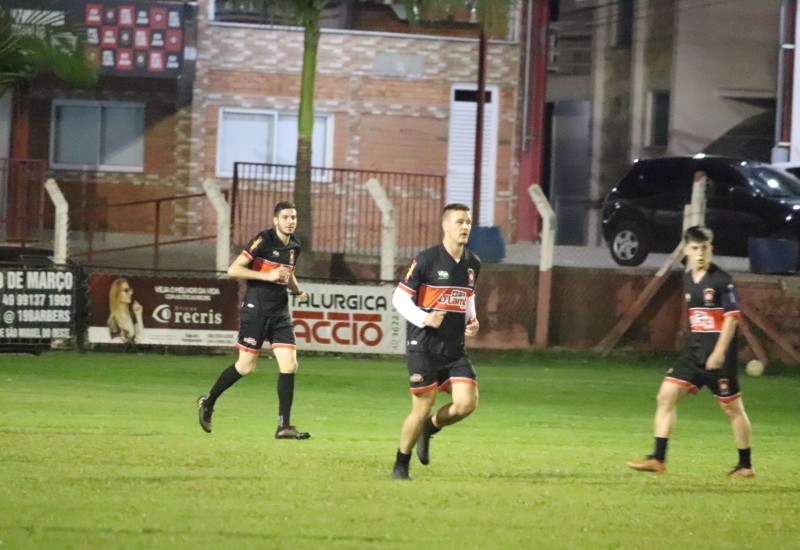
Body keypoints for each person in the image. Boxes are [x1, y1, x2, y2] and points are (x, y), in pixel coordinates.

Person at [627, 225, 754, 477]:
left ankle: (745, 465)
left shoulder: (721, 281)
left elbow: (731, 318)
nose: (700, 253)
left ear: (711, 249)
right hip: (694, 355)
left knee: (732, 410)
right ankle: (658, 458)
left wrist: (718, 352)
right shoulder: (687, 278)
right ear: (686, 250)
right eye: (695, 248)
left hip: (719, 359)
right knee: (665, 396)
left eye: (705, 248)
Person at [197, 202, 311, 439]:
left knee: (289, 364)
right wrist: (266, 275)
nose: (291, 221)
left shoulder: (294, 245)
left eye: (294, 217)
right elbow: (234, 269)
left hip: (280, 312)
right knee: (246, 366)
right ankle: (208, 401)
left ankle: (284, 426)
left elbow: (287, 272)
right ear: (275, 220)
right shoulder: (264, 240)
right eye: (286, 217)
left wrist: (298, 290)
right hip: (256, 310)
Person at [390, 203, 481, 480]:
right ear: (445, 226)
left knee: (467, 404)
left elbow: (467, 295)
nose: (465, 227)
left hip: (454, 349)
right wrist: (423, 318)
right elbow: (399, 298)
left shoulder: (473, 263)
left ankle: (430, 428)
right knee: (422, 407)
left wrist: (472, 320)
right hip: (424, 346)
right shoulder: (427, 259)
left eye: (468, 222)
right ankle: (401, 464)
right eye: (459, 222)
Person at [108, 278, 143, 346]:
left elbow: (141, 339)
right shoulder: (113, 319)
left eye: (130, 290)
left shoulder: (132, 315)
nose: (130, 293)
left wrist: (139, 315)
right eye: (126, 290)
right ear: (117, 293)